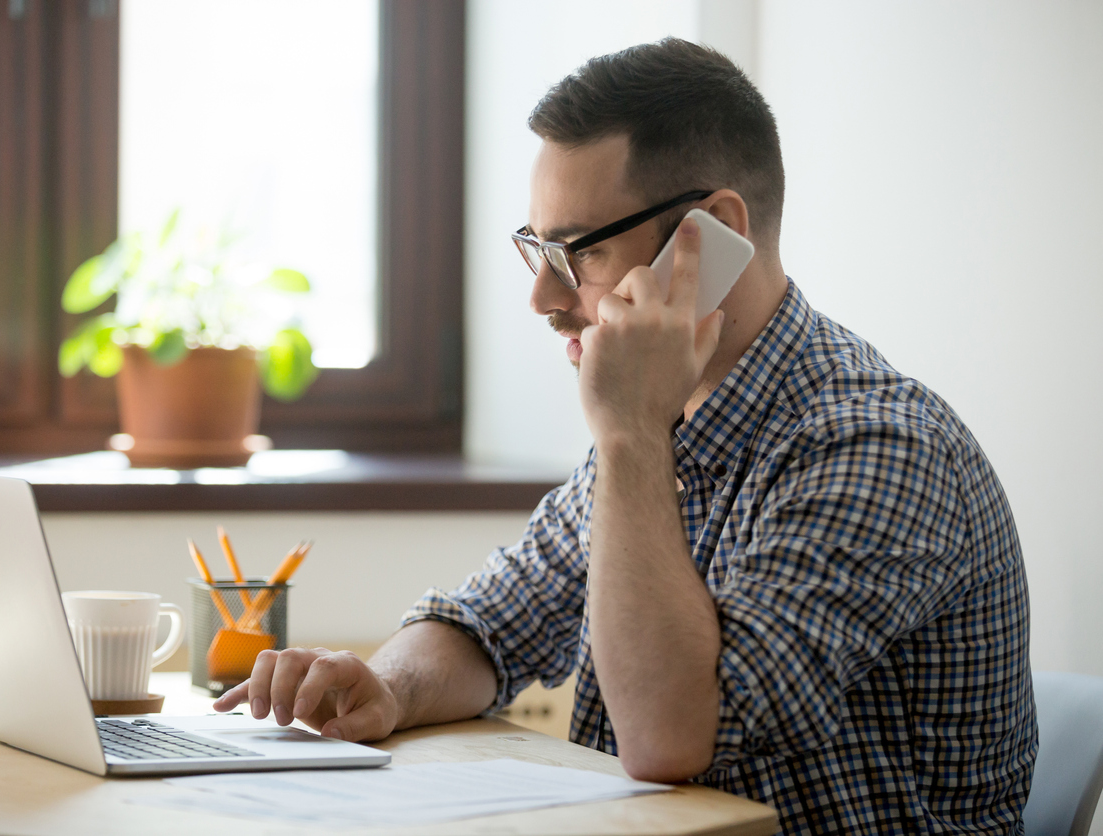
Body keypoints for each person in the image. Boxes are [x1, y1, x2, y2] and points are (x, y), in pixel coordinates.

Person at [214, 38, 1037, 834]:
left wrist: (631, 435)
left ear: (714, 237)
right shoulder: (666, 423)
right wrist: (386, 684)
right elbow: (489, 622)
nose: (542, 296)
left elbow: (671, 740)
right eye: (537, 248)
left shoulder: (875, 447)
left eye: (583, 251)